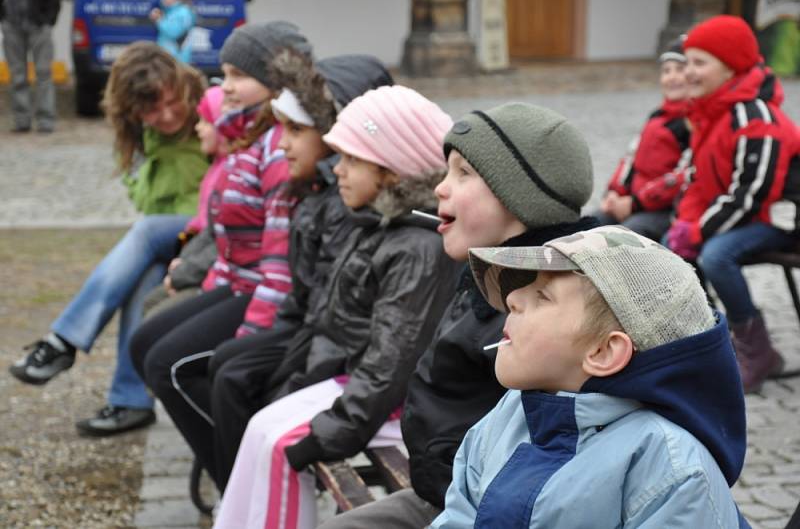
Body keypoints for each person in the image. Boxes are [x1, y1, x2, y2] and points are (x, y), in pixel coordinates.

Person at [317, 102, 597, 529]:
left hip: (495, 509)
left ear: (520, 197)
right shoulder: (482, 277)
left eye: (463, 173)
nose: (440, 190)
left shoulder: (546, 307)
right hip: (447, 491)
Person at [214, 85, 460, 529]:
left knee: (280, 445)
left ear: (391, 169)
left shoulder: (415, 248)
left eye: (351, 159)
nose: (337, 171)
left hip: (396, 406)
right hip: (364, 384)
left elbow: (392, 363)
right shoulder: (380, 223)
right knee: (260, 428)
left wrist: (329, 434)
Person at [430, 225, 748, 528]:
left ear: (604, 352)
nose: (511, 298)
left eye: (542, 296)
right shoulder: (510, 415)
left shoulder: (673, 470)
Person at [185, 49, 394, 491]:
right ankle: (242, 496)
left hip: (336, 349)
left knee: (235, 377)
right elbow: (305, 298)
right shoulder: (318, 193)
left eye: (296, 130)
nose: (281, 144)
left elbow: (340, 319)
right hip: (314, 330)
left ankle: (250, 497)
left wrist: (288, 383)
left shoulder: (346, 204)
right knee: (228, 365)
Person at [129, 20, 311, 469]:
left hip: (265, 295)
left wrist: (251, 337)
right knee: (144, 343)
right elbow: (228, 238)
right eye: (224, 73)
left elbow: (279, 261)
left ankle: (244, 481)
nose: (222, 87)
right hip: (240, 285)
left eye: (237, 76)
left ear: (276, 83)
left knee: (168, 366)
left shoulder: (275, 147)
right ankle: (237, 468)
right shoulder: (245, 137)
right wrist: (208, 289)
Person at [9, 42, 209, 436]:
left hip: (208, 228)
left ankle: (62, 341)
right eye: (152, 110)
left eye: (172, 102)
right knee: (141, 281)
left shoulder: (208, 106)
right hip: (173, 233)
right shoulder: (135, 131)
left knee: (147, 231)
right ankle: (130, 401)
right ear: (132, 109)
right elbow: (142, 186)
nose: (167, 116)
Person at [665, 15, 800, 393]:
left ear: (731, 66)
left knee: (716, 255)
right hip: (734, 217)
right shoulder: (711, 112)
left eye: (699, 62)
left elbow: (751, 193)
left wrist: (697, 230)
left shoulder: (754, 116)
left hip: (773, 222)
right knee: (669, 251)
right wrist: (683, 225)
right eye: (687, 61)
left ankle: (757, 351)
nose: (689, 71)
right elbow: (698, 182)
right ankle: (707, 344)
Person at [141, 85, 229, 318]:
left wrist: (183, 271)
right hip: (193, 254)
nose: (198, 128)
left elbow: (223, 239)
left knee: (146, 232)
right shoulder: (216, 166)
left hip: (209, 272)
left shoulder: (231, 172)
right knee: (146, 287)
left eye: (205, 121)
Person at [595, 37, 691, 240]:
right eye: (667, 71)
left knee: (626, 237)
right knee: (590, 226)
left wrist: (635, 203)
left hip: (666, 209)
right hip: (633, 201)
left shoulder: (691, 123)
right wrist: (614, 193)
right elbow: (631, 158)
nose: (672, 77)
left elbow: (681, 175)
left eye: (680, 69)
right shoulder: (656, 117)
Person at [0, 0, 60, 132]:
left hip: (39, 24)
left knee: (44, 74)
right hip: (11, 24)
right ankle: (21, 121)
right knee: (17, 76)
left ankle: (46, 121)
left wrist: (48, 20)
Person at [149, 0, 195, 64]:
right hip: (167, 59)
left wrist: (159, 20)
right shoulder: (170, 11)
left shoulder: (183, 12)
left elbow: (174, 33)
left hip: (177, 59)